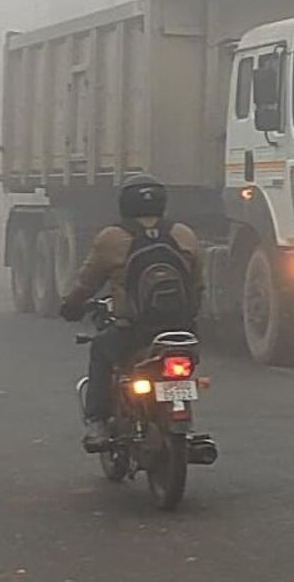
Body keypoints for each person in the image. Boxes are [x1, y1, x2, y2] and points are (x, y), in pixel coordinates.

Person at [59, 174, 204, 452]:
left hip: (134, 332)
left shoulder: (112, 237)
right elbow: (198, 284)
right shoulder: (183, 234)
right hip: (181, 333)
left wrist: (71, 306)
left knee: (101, 349)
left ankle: (97, 423)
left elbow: (88, 282)